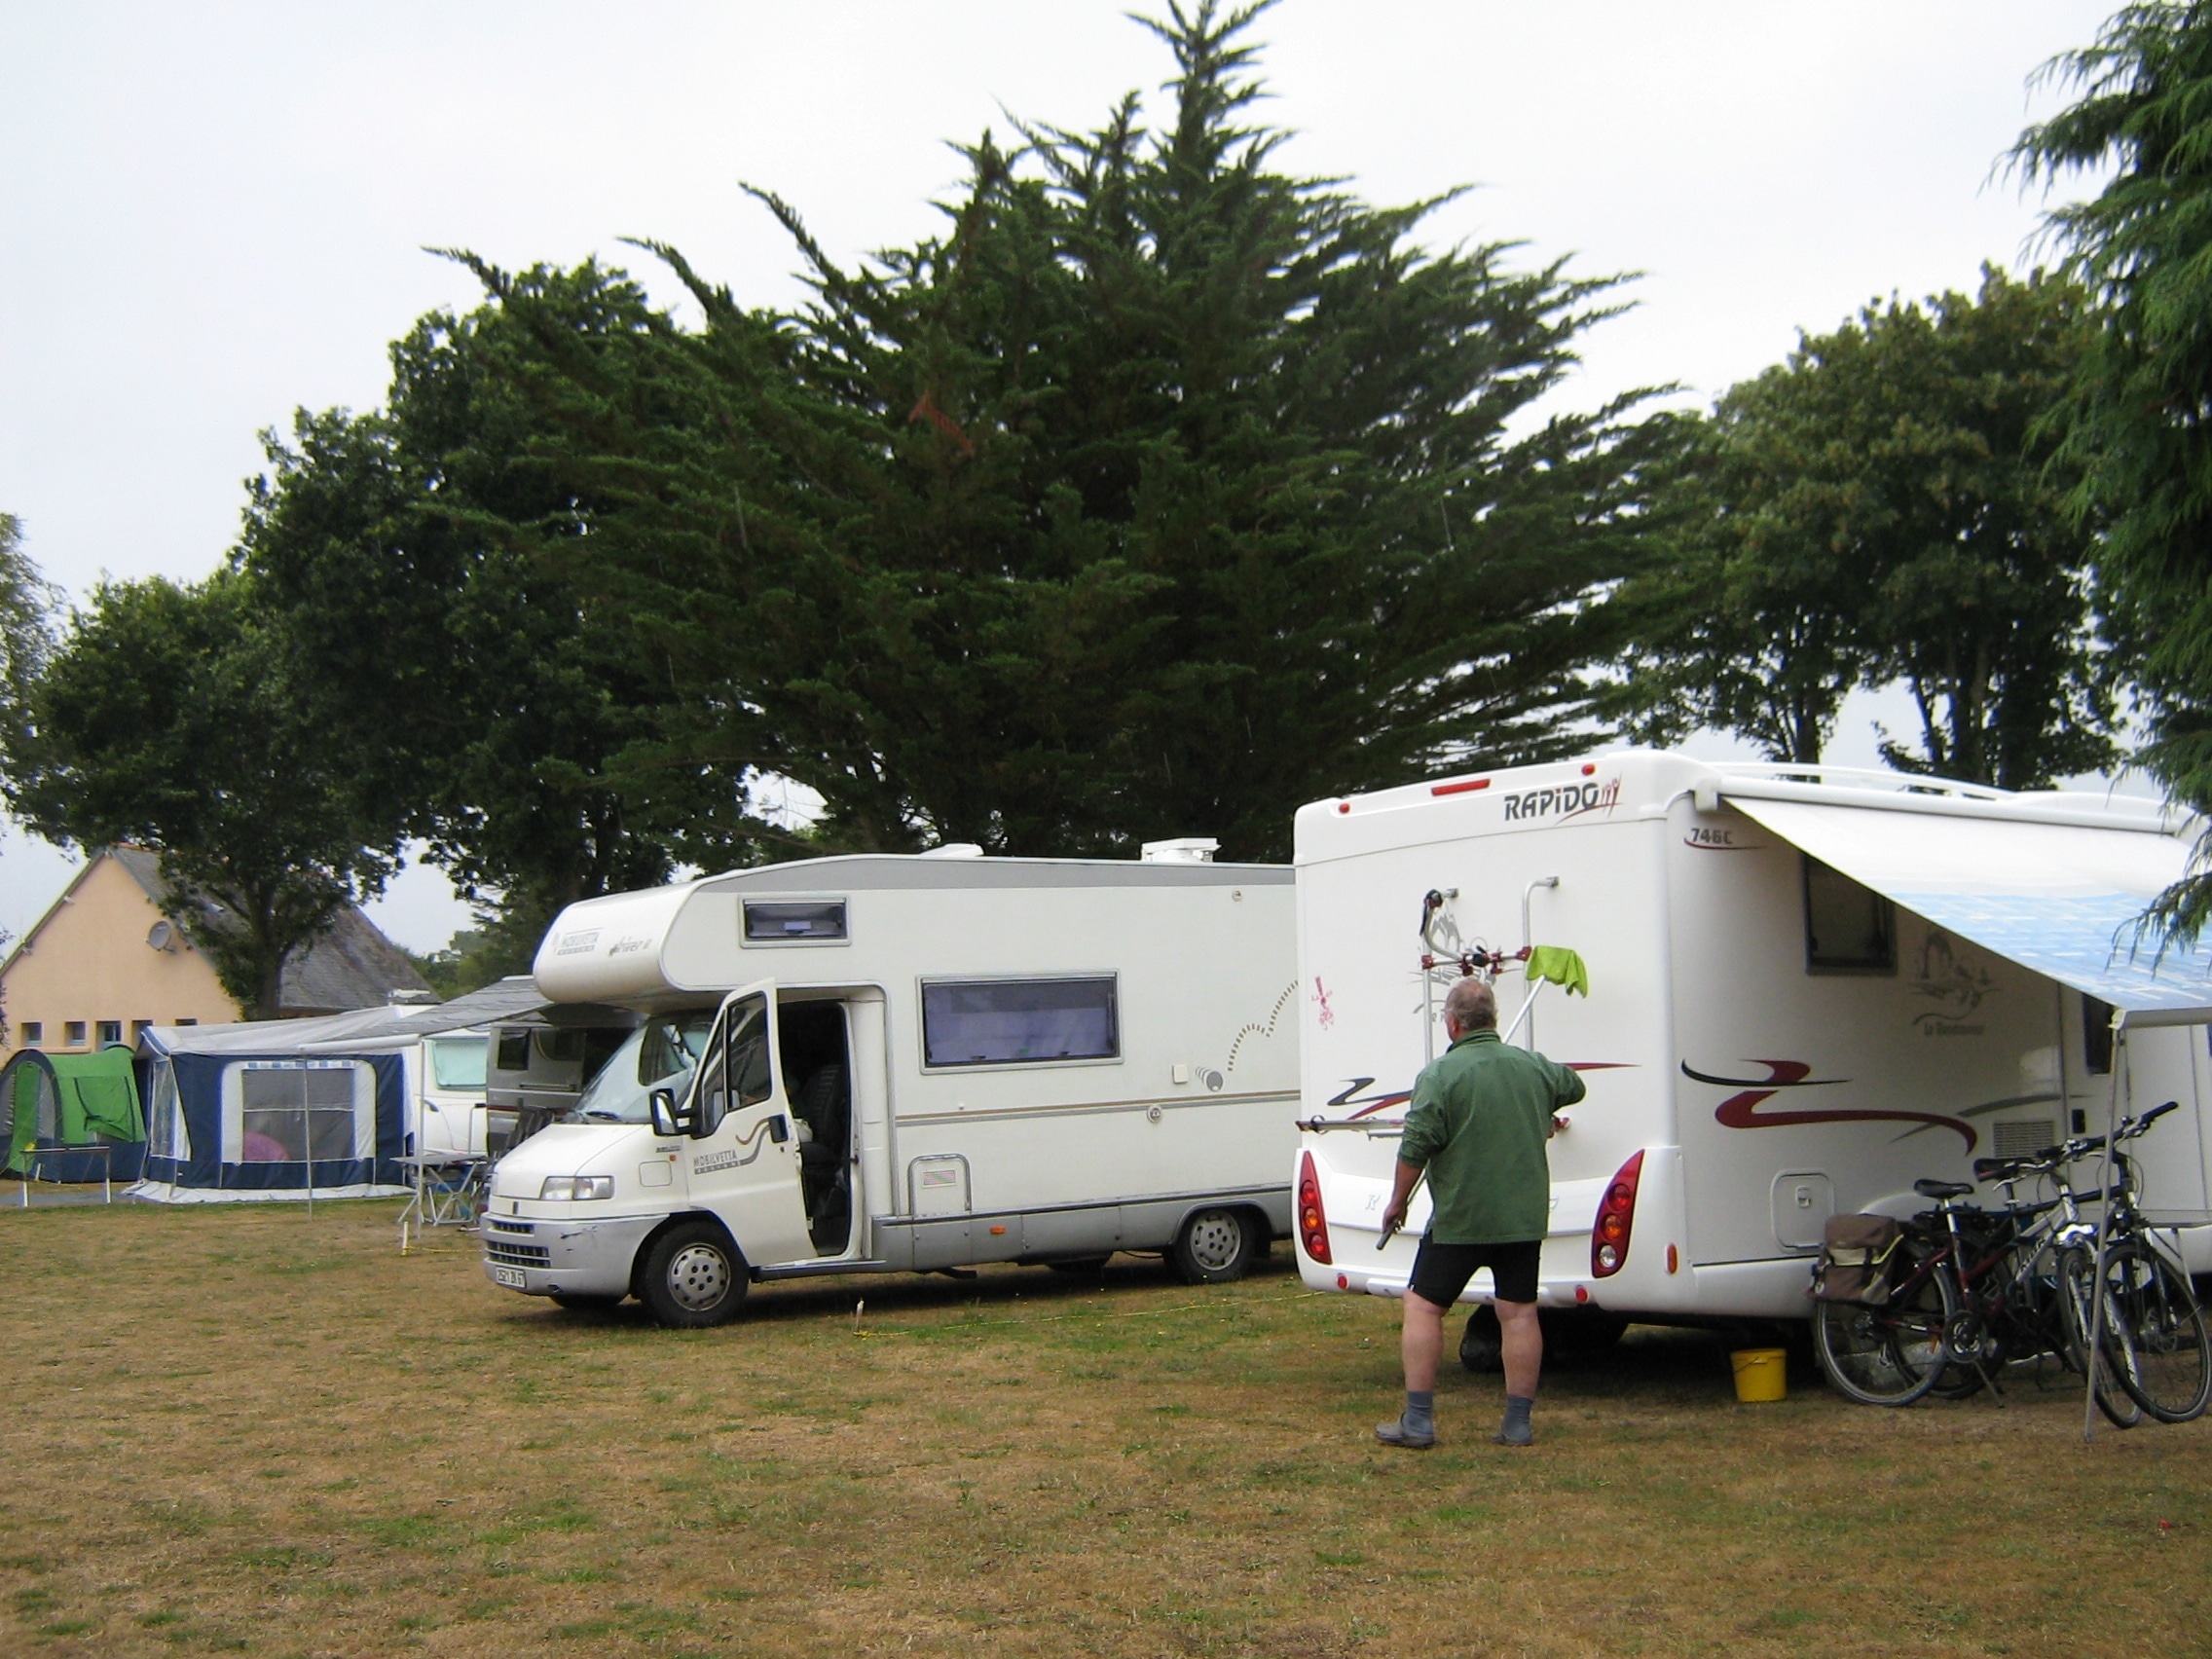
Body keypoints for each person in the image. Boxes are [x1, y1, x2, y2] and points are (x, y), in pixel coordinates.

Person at [1375, 975, 1583, 1449]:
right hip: (1521, 1218)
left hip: (1461, 1218)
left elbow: (1416, 1146)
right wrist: (1539, 1111)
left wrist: (1397, 1202)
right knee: (1518, 1313)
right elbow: (1574, 1085)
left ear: (1452, 1024)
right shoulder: (1532, 1067)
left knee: (1423, 1306)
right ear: (1493, 1020)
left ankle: (1419, 1420)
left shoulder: (1439, 1075)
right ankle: (1517, 1423)